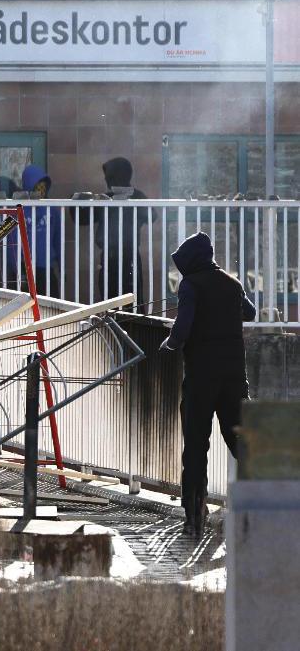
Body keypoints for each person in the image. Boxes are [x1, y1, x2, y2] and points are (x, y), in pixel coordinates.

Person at [160, 232, 256, 537]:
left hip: (201, 378)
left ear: (190, 261)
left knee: (196, 446)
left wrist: (169, 344)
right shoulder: (232, 283)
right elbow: (250, 313)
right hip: (233, 378)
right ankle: (258, 509)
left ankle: (195, 517)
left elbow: (183, 327)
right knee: (243, 444)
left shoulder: (190, 285)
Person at [92, 157, 148, 301]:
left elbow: (151, 215)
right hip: (110, 256)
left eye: (109, 177)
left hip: (129, 256)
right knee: (110, 300)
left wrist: (130, 204)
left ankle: (132, 324)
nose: (107, 181)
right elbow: (83, 218)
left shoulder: (136, 196)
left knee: (132, 301)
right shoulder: (107, 198)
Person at [5, 165, 62, 297]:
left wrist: (61, 266)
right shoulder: (15, 209)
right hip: (21, 269)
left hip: (45, 268)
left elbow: (58, 240)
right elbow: (0, 236)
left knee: (49, 309)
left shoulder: (52, 209)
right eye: (37, 185)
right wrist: (14, 267)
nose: (41, 189)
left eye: (43, 185)